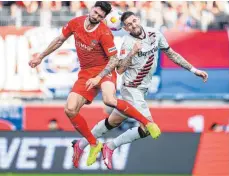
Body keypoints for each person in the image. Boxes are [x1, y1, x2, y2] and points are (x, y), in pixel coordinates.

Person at [28, 2, 159, 167]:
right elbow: (59, 39)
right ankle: (93, 143)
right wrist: (40, 56)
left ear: (104, 18)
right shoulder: (76, 23)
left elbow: (114, 60)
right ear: (92, 9)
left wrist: (99, 77)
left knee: (109, 100)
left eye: (100, 16)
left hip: (105, 71)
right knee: (70, 109)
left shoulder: (104, 33)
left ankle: (148, 123)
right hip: (85, 73)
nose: (96, 16)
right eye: (96, 12)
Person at [75, 11, 209, 169]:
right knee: (147, 128)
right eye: (129, 25)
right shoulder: (127, 43)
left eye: (133, 22)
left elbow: (172, 54)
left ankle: (81, 144)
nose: (133, 26)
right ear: (125, 28)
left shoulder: (155, 34)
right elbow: (120, 70)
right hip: (131, 89)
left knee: (113, 121)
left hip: (142, 90)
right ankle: (110, 146)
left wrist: (194, 70)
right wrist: (132, 53)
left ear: (138, 19)